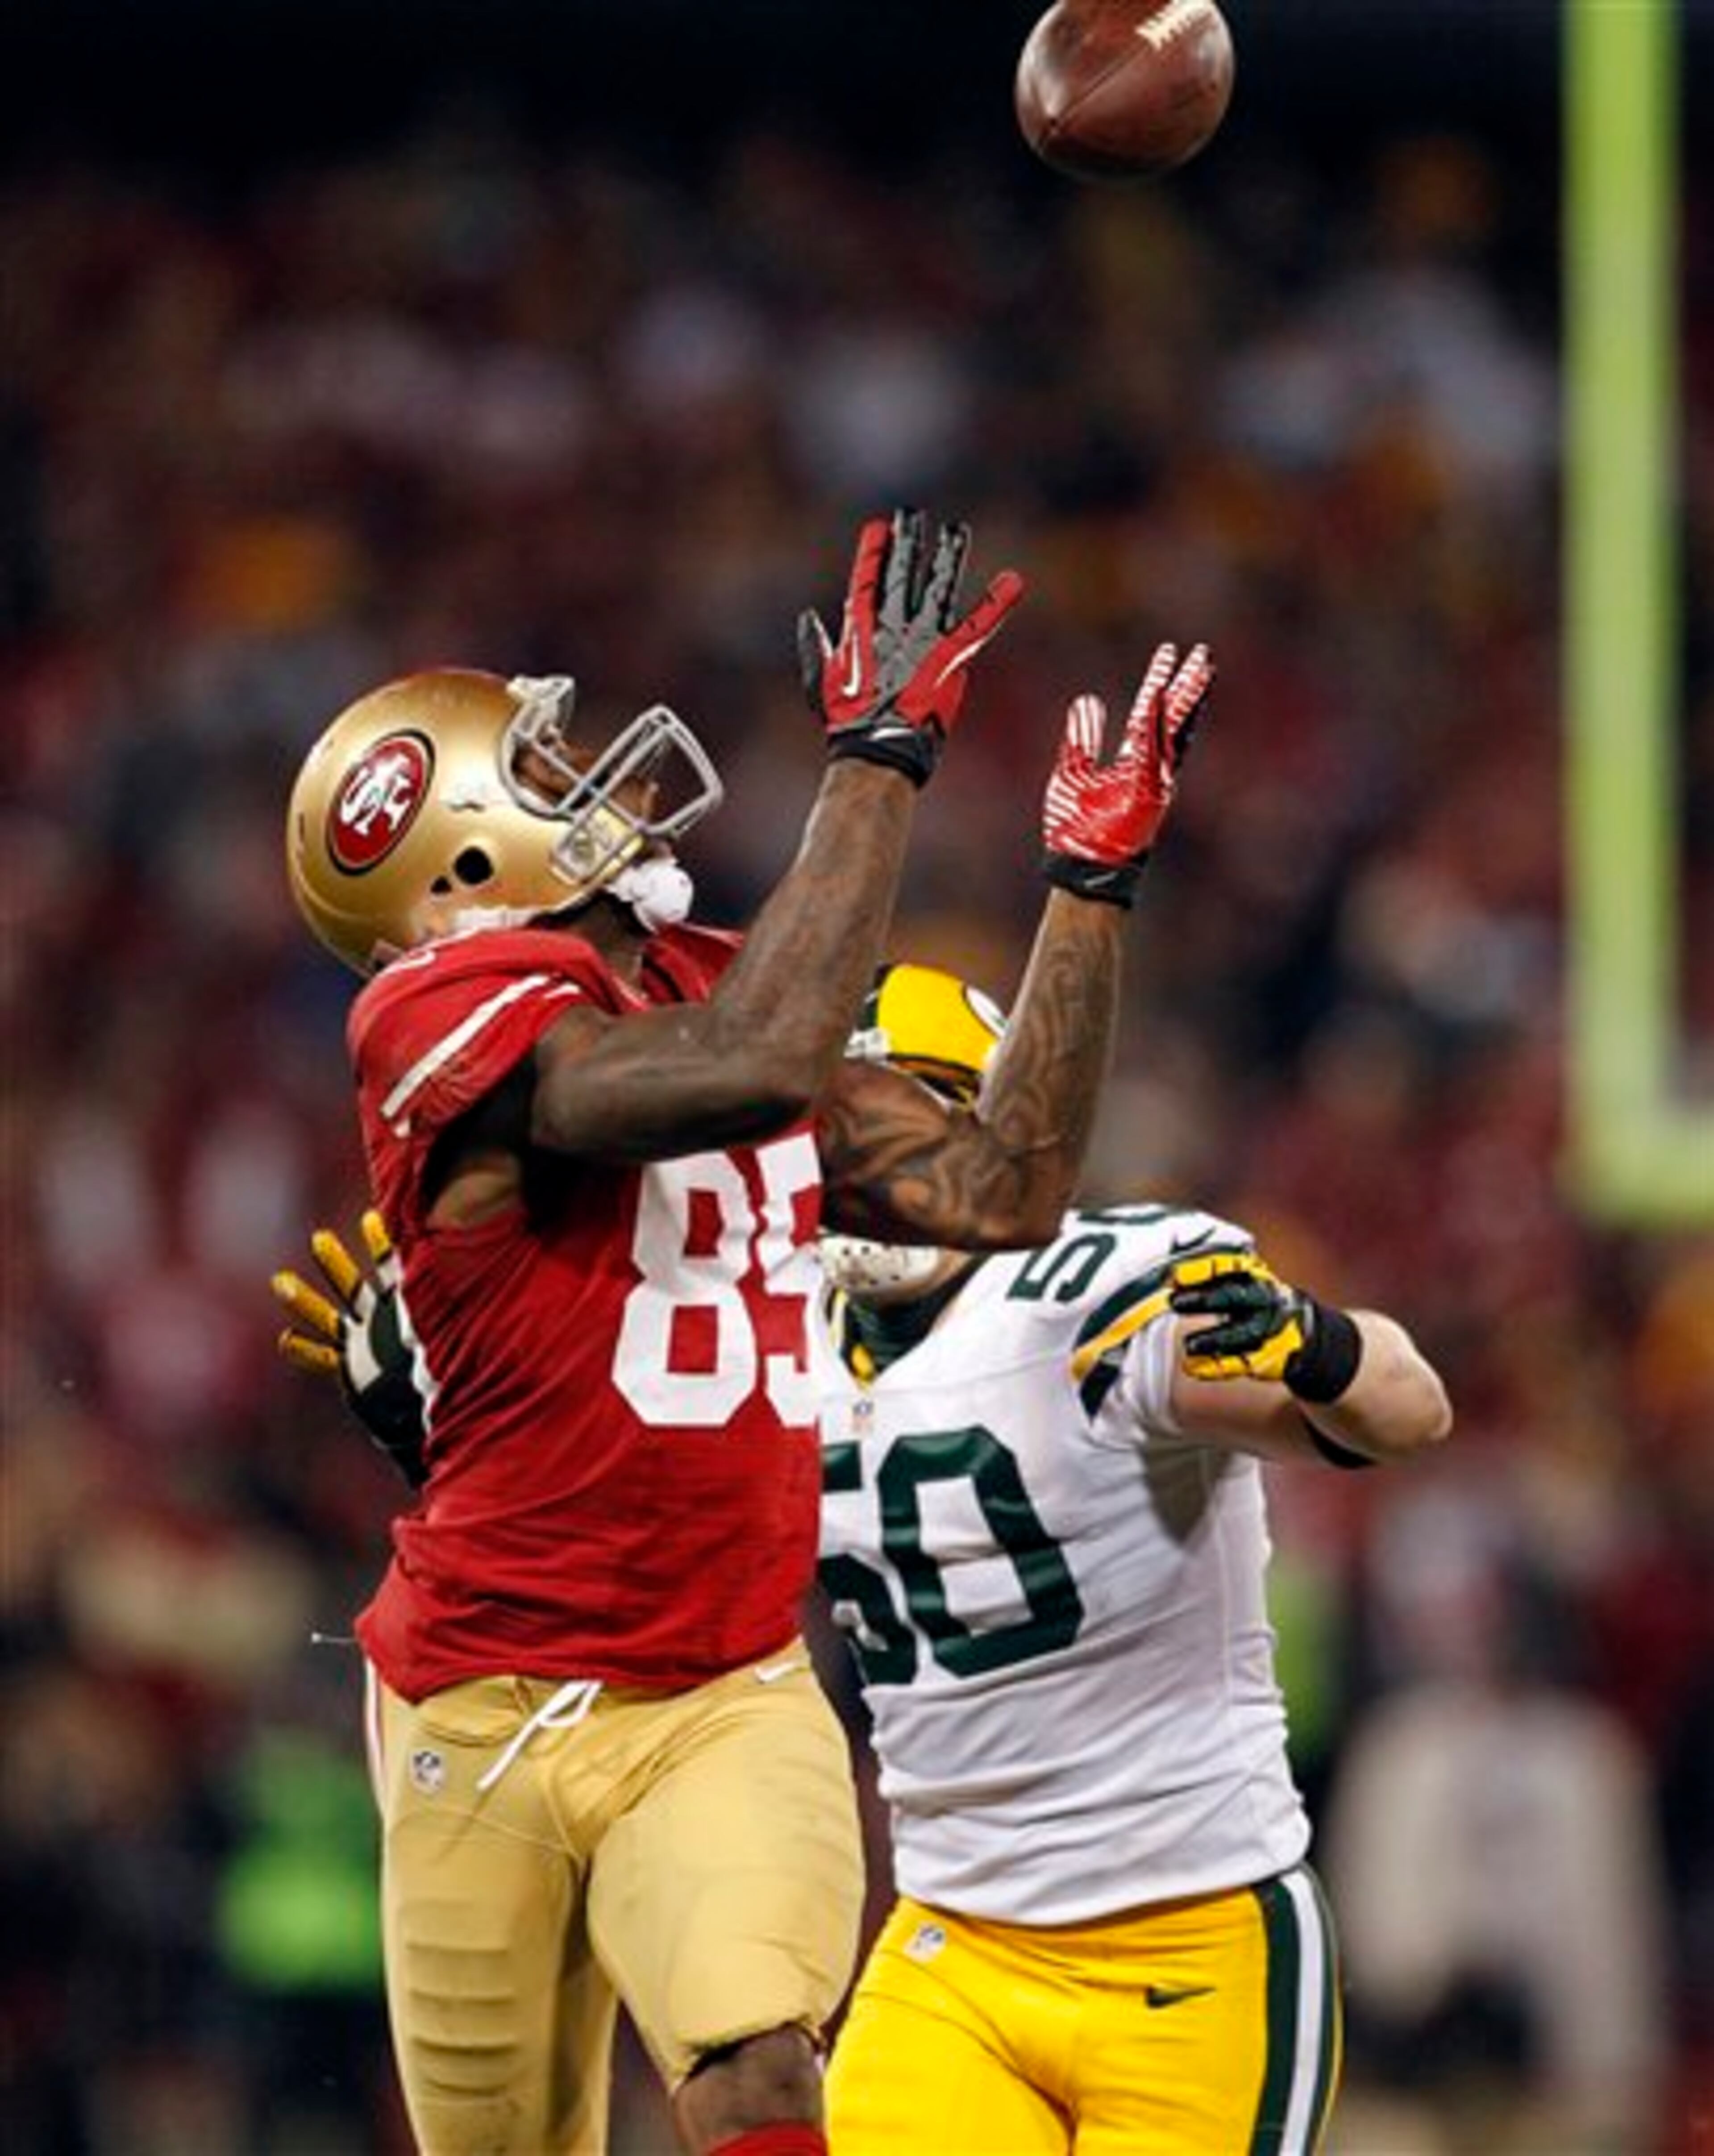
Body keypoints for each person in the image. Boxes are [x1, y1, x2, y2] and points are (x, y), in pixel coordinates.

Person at [272, 504, 1215, 2156]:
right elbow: (755, 1067)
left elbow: (999, 1186)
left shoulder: (713, 980)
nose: (592, 786)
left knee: (760, 2074)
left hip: (722, 1686)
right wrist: (878, 762)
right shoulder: (434, 1008)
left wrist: (1089, 889)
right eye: (539, 772)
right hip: (476, 1698)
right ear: (459, 867)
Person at [283, 958, 1450, 2156]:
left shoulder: (1099, 1285)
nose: (875, 1168)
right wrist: (457, 1441)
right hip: (957, 1950)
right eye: (841, 1129)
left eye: (920, 1110)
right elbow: (622, 1555)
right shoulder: (762, 1333)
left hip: (1195, 1937)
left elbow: (1409, 1413)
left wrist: (1319, 1346)